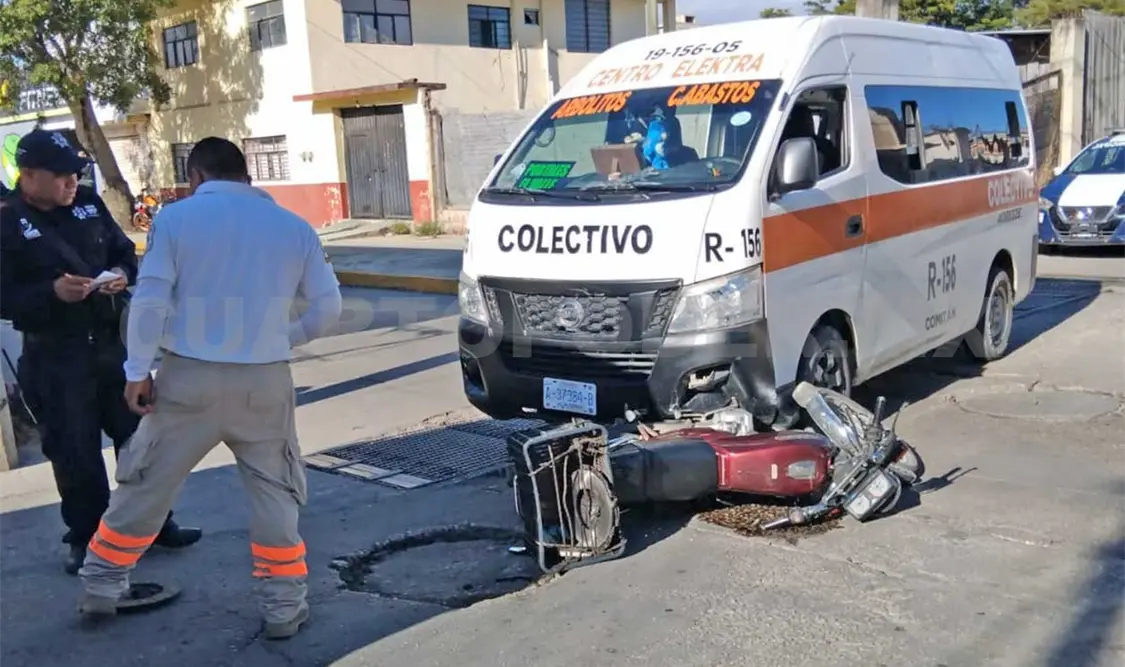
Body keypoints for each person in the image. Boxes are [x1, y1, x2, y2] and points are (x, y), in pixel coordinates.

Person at [77, 137, 343, 640]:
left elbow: (151, 300)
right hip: (264, 382)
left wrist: (137, 371)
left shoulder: (175, 221)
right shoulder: (294, 227)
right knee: (274, 493)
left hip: (188, 380)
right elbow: (327, 310)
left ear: (197, 177)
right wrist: (282, 338)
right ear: (247, 177)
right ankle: (284, 610)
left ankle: (101, 588)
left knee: (147, 484)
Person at [0, 130, 202, 575]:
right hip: (56, 356)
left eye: (75, 172)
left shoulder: (89, 202)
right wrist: (50, 293)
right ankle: (88, 538)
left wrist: (118, 273)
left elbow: (125, 251)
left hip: (112, 347)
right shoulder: (7, 219)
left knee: (140, 443)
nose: (72, 182)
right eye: (61, 175)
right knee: (75, 455)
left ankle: (153, 524)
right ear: (28, 175)